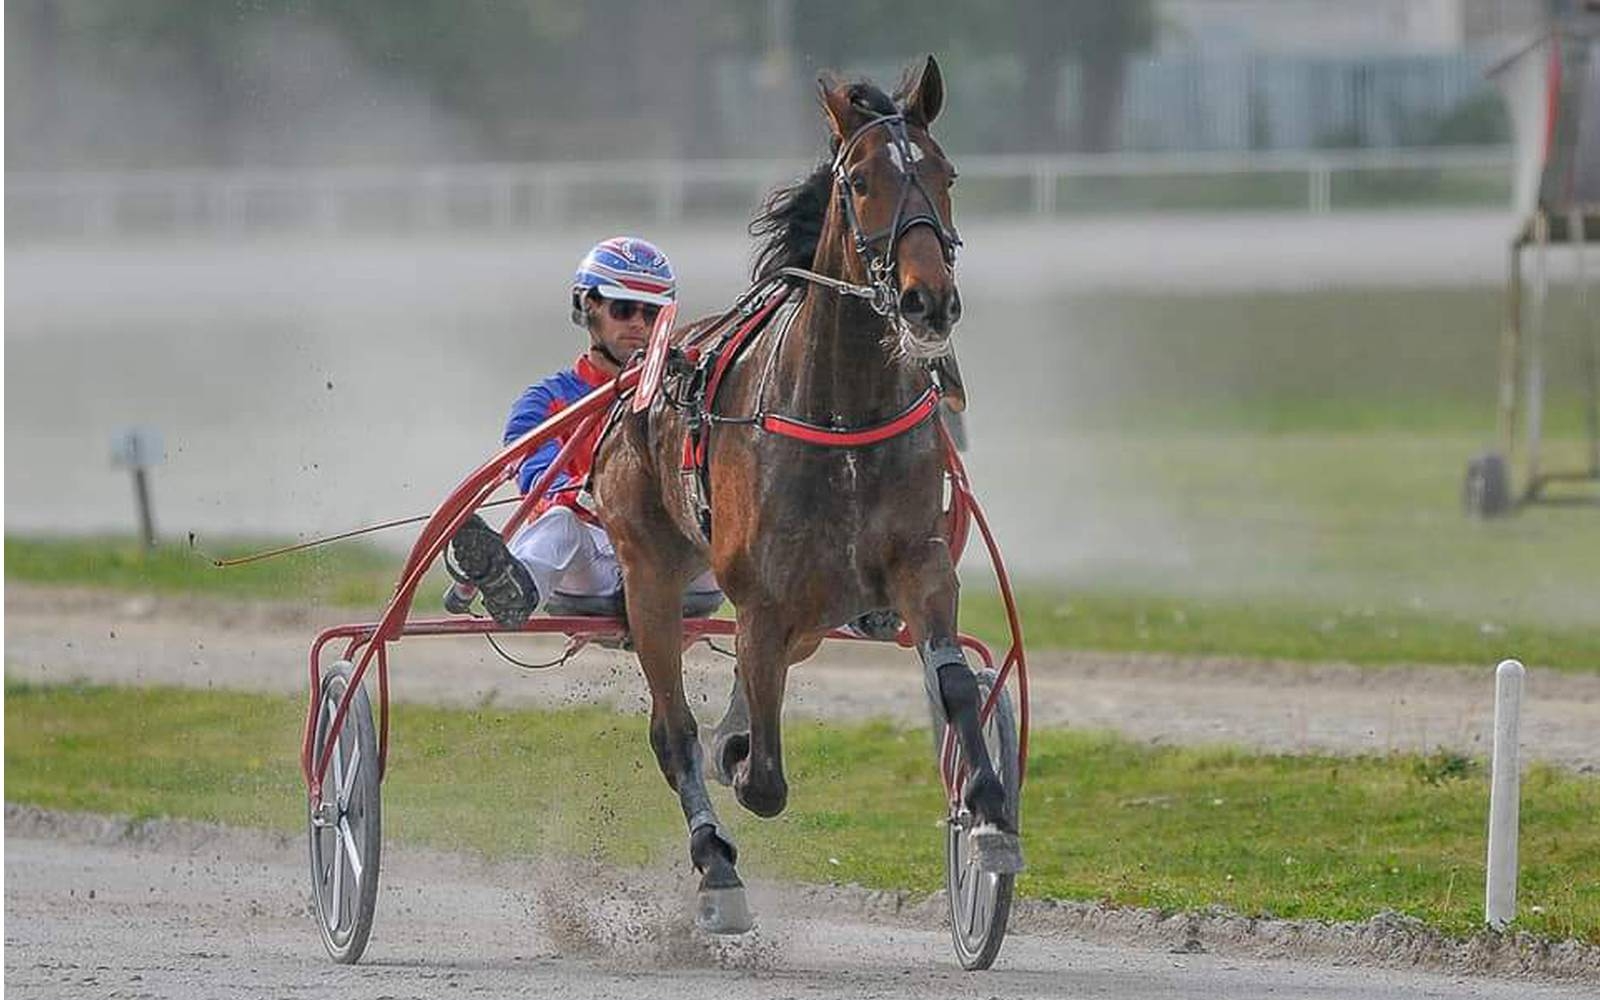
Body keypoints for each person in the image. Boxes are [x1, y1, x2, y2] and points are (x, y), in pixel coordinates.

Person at [445, 236, 721, 627]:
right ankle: (514, 587)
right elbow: (539, 480)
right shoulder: (545, 402)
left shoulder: (687, 397)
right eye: (624, 309)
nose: (639, 325)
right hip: (593, 566)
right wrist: (597, 495)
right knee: (559, 523)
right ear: (588, 307)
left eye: (652, 314)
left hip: (679, 564)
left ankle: (832, 593)